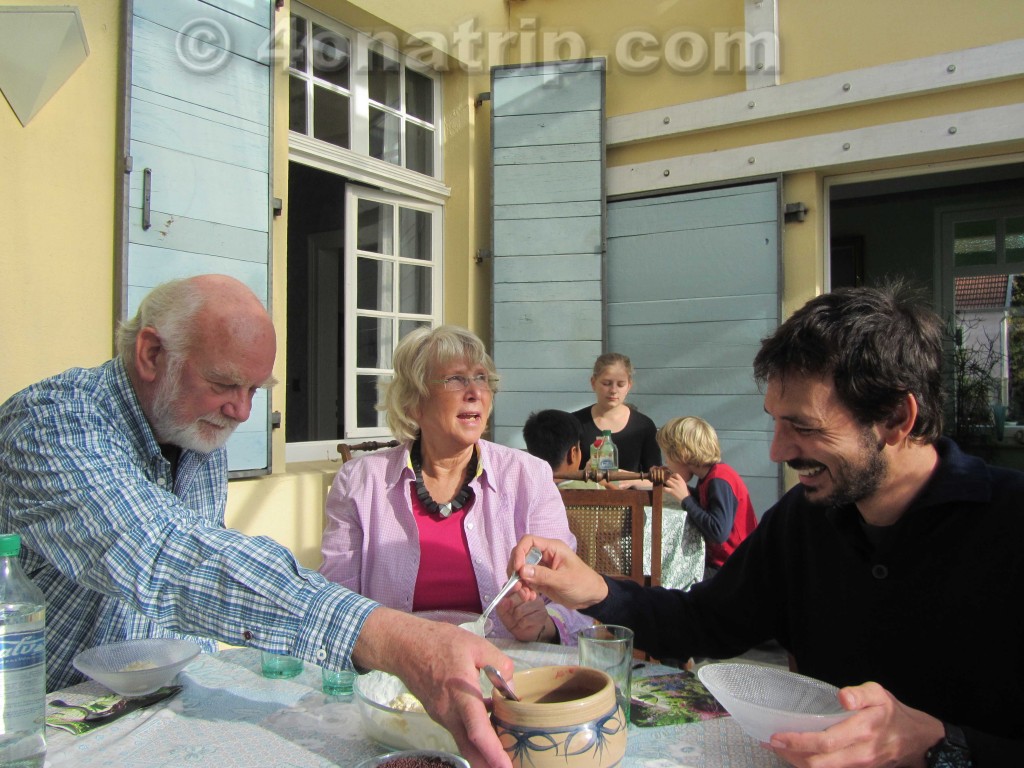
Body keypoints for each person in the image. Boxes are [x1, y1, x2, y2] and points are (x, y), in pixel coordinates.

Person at [0, 276, 513, 767]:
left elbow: (192, 600)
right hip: (38, 725)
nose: (243, 411)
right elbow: (165, 556)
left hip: (151, 710)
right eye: (225, 383)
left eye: (255, 389)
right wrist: (392, 639)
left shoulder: (196, 435)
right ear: (152, 354)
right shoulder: (54, 424)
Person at [511, 282, 1022, 767]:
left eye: (803, 426)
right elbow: (704, 621)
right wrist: (595, 588)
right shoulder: (804, 520)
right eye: (775, 421)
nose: (778, 451)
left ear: (895, 418)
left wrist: (939, 746)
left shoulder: (1007, 526)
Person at [320, 326, 592, 645]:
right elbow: (336, 603)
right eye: (456, 379)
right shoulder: (359, 483)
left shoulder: (529, 477)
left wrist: (545, 626)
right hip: (396, 677)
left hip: (503, 673)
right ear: (414, 403)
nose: (475, 391)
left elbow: (570, 603)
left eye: (481, 378)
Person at [656, 416, 757, 576]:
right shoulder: (710, 477)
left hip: (734, 568)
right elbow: (705, 504)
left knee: (674, 577)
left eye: (668, 456)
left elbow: (718, 533)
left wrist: (686, 499)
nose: (667, 462)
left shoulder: (719, 480)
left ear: (682, 454)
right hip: (727, 563)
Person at [573, 353, 662, 481]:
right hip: (583, 498)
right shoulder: (574, 423)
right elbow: (560, 474)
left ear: (629, 386)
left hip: (631, 499)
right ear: (593, 383)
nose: (613, 390)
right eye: (606, 383)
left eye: (620, 384)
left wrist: (627, 479)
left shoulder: (644, 426)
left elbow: (655, 478)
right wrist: (583, 474)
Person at [522, 409, 603, 489]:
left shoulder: (522, 486)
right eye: (579, 448)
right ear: (573, 454)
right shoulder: (590, 488)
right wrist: (603, 484)